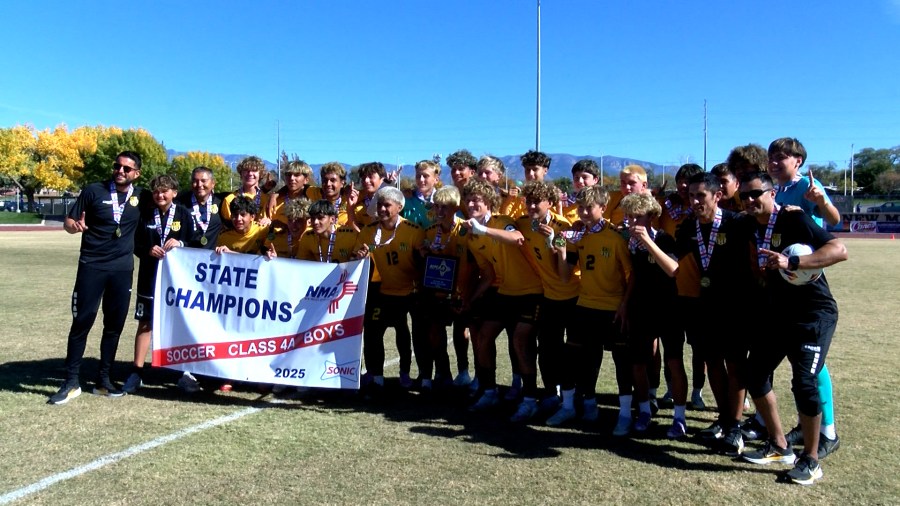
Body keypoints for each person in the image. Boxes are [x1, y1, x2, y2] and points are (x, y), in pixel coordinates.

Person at [738, 171, 848, 485]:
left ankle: (811, 460)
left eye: (755, 193)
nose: (749, 200)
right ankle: (779, 445)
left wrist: (794, 264)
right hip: (777, 315)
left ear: (772, 193)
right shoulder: (747, 225)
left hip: (813, 314)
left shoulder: (793, 220)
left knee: (804, 383)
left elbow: (839, 251)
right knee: (755, 373)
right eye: (743, 195)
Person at [766, 137, 842, 459]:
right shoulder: (776, 191)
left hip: (806, 274)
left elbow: (834, 221)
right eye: (771, 157)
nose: (774, 162)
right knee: (803, 359)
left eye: (781, 157)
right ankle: (806, 425)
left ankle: (828, 432)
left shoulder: (807, 185)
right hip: (784, 278)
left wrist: (820, 202)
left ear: (798, 160)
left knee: (814, 364)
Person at [49, 151, 144, 404]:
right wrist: (73, 226)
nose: (120, 171)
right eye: (117, 166)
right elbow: (69, 221)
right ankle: (71, 382)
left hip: (122, 270)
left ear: (136, 173)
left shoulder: (142, 197)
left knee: (114, 326)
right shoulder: (94, 190)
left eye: (126, 168)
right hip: (92, 266)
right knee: (82, 322)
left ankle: (103, 381)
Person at [673, 172, 756, 454]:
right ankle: (723, 419)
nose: (695, 201)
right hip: (700, 307)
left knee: (735, 366)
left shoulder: (738, 223)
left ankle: (735, 427)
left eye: (701, 195)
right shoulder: (687, 228)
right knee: (712, 364)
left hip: (734, 308)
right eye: (691, 195)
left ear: (717, 195)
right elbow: (676, 265)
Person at [551, 185, 632, 433]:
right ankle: (579, 405)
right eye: (580, 208)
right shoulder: (577, 236)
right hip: (585, 305)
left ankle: (626, 414)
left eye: (589, 208)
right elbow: (565, 276)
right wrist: (561, 248)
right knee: (578, 358)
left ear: (603, 208)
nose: (583, 213)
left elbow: (631, 276)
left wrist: (624, 306)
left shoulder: (616, 237)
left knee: (622, 362)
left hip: (612, 308)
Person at [462, 179, 544, 419]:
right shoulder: (472, 237)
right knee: (483, 337)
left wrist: (483, 229)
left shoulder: (502, 222)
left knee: (520, 340)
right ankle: (489, 391)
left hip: (531, 291)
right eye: (468, 199)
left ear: (488, 202)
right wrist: (471, 298)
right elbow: (488, 273)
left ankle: (530, 399)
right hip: (505, 292)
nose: (471, 203)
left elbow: (517, 238)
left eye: (477, 199)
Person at [620, 193, 685, 437]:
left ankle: (679, 417)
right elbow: (636, 275)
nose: (632, 221)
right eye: (629, 216)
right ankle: (645, 410)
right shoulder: (631, 243)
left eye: (638, 216)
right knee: (638, 362)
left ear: (652, 216)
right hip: (641, 307)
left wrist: (648, 242)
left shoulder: (665, 239)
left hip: (669, 308)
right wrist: (625, 304)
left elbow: (673, 270)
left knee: (674, 362)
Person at [123, 174, 193, 393]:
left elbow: (196, 242)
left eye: (165, 191)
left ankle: (184, 372)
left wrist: (180, 242)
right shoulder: (145, 214)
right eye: (156, 192)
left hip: (177, 281)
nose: (160, 195)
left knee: (181, 324)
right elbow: (135, 243)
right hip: (149, 277)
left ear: (174, 192)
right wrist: (147, 249)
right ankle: (136, 371)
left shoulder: (183, 213)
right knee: (145, 323)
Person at [516, 180, 580, 420]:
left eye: (536, 202)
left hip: (572, 297)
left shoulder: (563, 228)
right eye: (528, 201)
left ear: (551, 203)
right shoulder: (524, 223)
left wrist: (552, 242)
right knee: (547, 349)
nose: (531, 206)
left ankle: (574, 402)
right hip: (548, 297)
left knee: (572, 353)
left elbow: (563, 274)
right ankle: (552, 395)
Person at [354, 186, 425, 392]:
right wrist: (360, 256)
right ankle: (376, 374)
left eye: (387, 205)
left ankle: (405, 372)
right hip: (381, 290)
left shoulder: (413, 230)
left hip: (408, 291)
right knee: (374, 332)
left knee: (403, 331)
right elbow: (358, 258)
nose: (382, 209)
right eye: (379, 205)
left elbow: (422, 263)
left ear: (399, 207)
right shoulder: (369, 231)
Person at [657, 163, 708, 411]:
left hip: (697, 288)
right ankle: (671, 387)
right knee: (671, 344)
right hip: (669, 287)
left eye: (689, 181)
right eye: (680, 180)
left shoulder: (703, 210)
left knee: (700, 347)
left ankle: (697, 391)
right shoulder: (667, 206)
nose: (683, 185)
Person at [173, 166, 225, 393]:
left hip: (213, 273)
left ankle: (210, 369)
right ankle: (184, 371)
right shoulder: (182, 202)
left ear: (213, 184)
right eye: (195, 181)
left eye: (204, 181)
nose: (199, 185)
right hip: (186, 271)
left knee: (210, 321)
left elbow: (241, 222)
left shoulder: (223, 203)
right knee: (186, 319)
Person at [418, 186, 475, 390]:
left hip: (462, 290)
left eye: (446, 207)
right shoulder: (430, 232)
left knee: (462, 332)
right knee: (435, 332)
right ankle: (444, 372)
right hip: (437, 291)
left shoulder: (465, 229)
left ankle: (464, 371)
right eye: (437, 207)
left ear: (455, 208)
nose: (440, 211)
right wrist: (425, 253)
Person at [297, 199, 358, 264]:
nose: (315, 222)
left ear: (332, 219)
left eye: (320, 218)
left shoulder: (350, 235)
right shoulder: (307, 236)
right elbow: (301, 264)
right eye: (312, 218)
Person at [268, 159, 320, 227]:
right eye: (289, 175)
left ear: (306, 179)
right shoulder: (275, 201)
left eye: (297, 175)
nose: (292, 178)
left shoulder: (314, 197)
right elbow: (265, 222)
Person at [221, 156, 271, 228]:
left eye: (254, 170)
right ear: (241, 174)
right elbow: (229, 227)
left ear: (261, 174)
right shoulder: (229, 200)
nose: (250, 173)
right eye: (246, 170)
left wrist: (270, 221)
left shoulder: (268, 200)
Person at [401, 159, 441, 228]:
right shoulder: (406, 198)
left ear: (436, 179)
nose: (421, 179)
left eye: (425, 176)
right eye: (418, 176)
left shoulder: (442, 201)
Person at [318, 161, 359, 228]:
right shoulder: (314, 197)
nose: (328, 184)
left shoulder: (350, 200)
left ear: (342, 183)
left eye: (333, 180)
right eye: (325, 180)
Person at [563, 159, 602, 223]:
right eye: (576, 178)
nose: (580, 181)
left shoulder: (601, 202)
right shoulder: (564, 203)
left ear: (595, 180)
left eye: (585, 177)